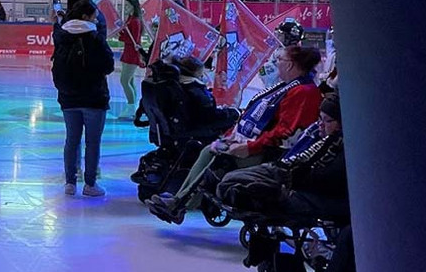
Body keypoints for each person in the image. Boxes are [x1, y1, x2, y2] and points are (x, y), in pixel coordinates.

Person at [147, 45, 324, 223]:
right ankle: (180, 201)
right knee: (210, 150)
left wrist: (248, 147)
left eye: (279, 60)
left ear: (291, 65)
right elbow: (251, 117)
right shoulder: (287, 87)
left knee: (219, 157)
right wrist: (231, 137)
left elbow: (285, 132)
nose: (276, 64)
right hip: (262, 144)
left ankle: (181, 203)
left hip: (275, 152)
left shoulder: (303, 92)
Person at [215, 93, 347, 219]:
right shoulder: (316, 133)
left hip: (295, 181)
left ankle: (243, 194)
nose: (321, 125)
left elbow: (322, 178)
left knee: (230, 182)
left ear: (341, 125)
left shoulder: (339, 149)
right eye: (320, 118)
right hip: (285, 169)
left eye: (328, 121)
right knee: (229, 179)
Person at [52, 0, 115, 197]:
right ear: (87, 17)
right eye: (94, 16)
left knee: (72, 140)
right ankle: (90, 184)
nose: (96, 19)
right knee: (92, 142)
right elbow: (108, 65)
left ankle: (70, 182)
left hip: (69, 98)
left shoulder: (62, 36)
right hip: (94, 98)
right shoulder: (95, 38)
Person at [118, 0, 145, 119]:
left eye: (128, 6)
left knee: (124, 80)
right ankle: (132, 107)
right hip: (127, 52)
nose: (126, 8)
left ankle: (131, 106)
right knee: (130, 81)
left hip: (132, 54)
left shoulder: (136, 21)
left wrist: (122, 36)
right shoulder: (130, 19)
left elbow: (134, 39)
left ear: (134, 7)